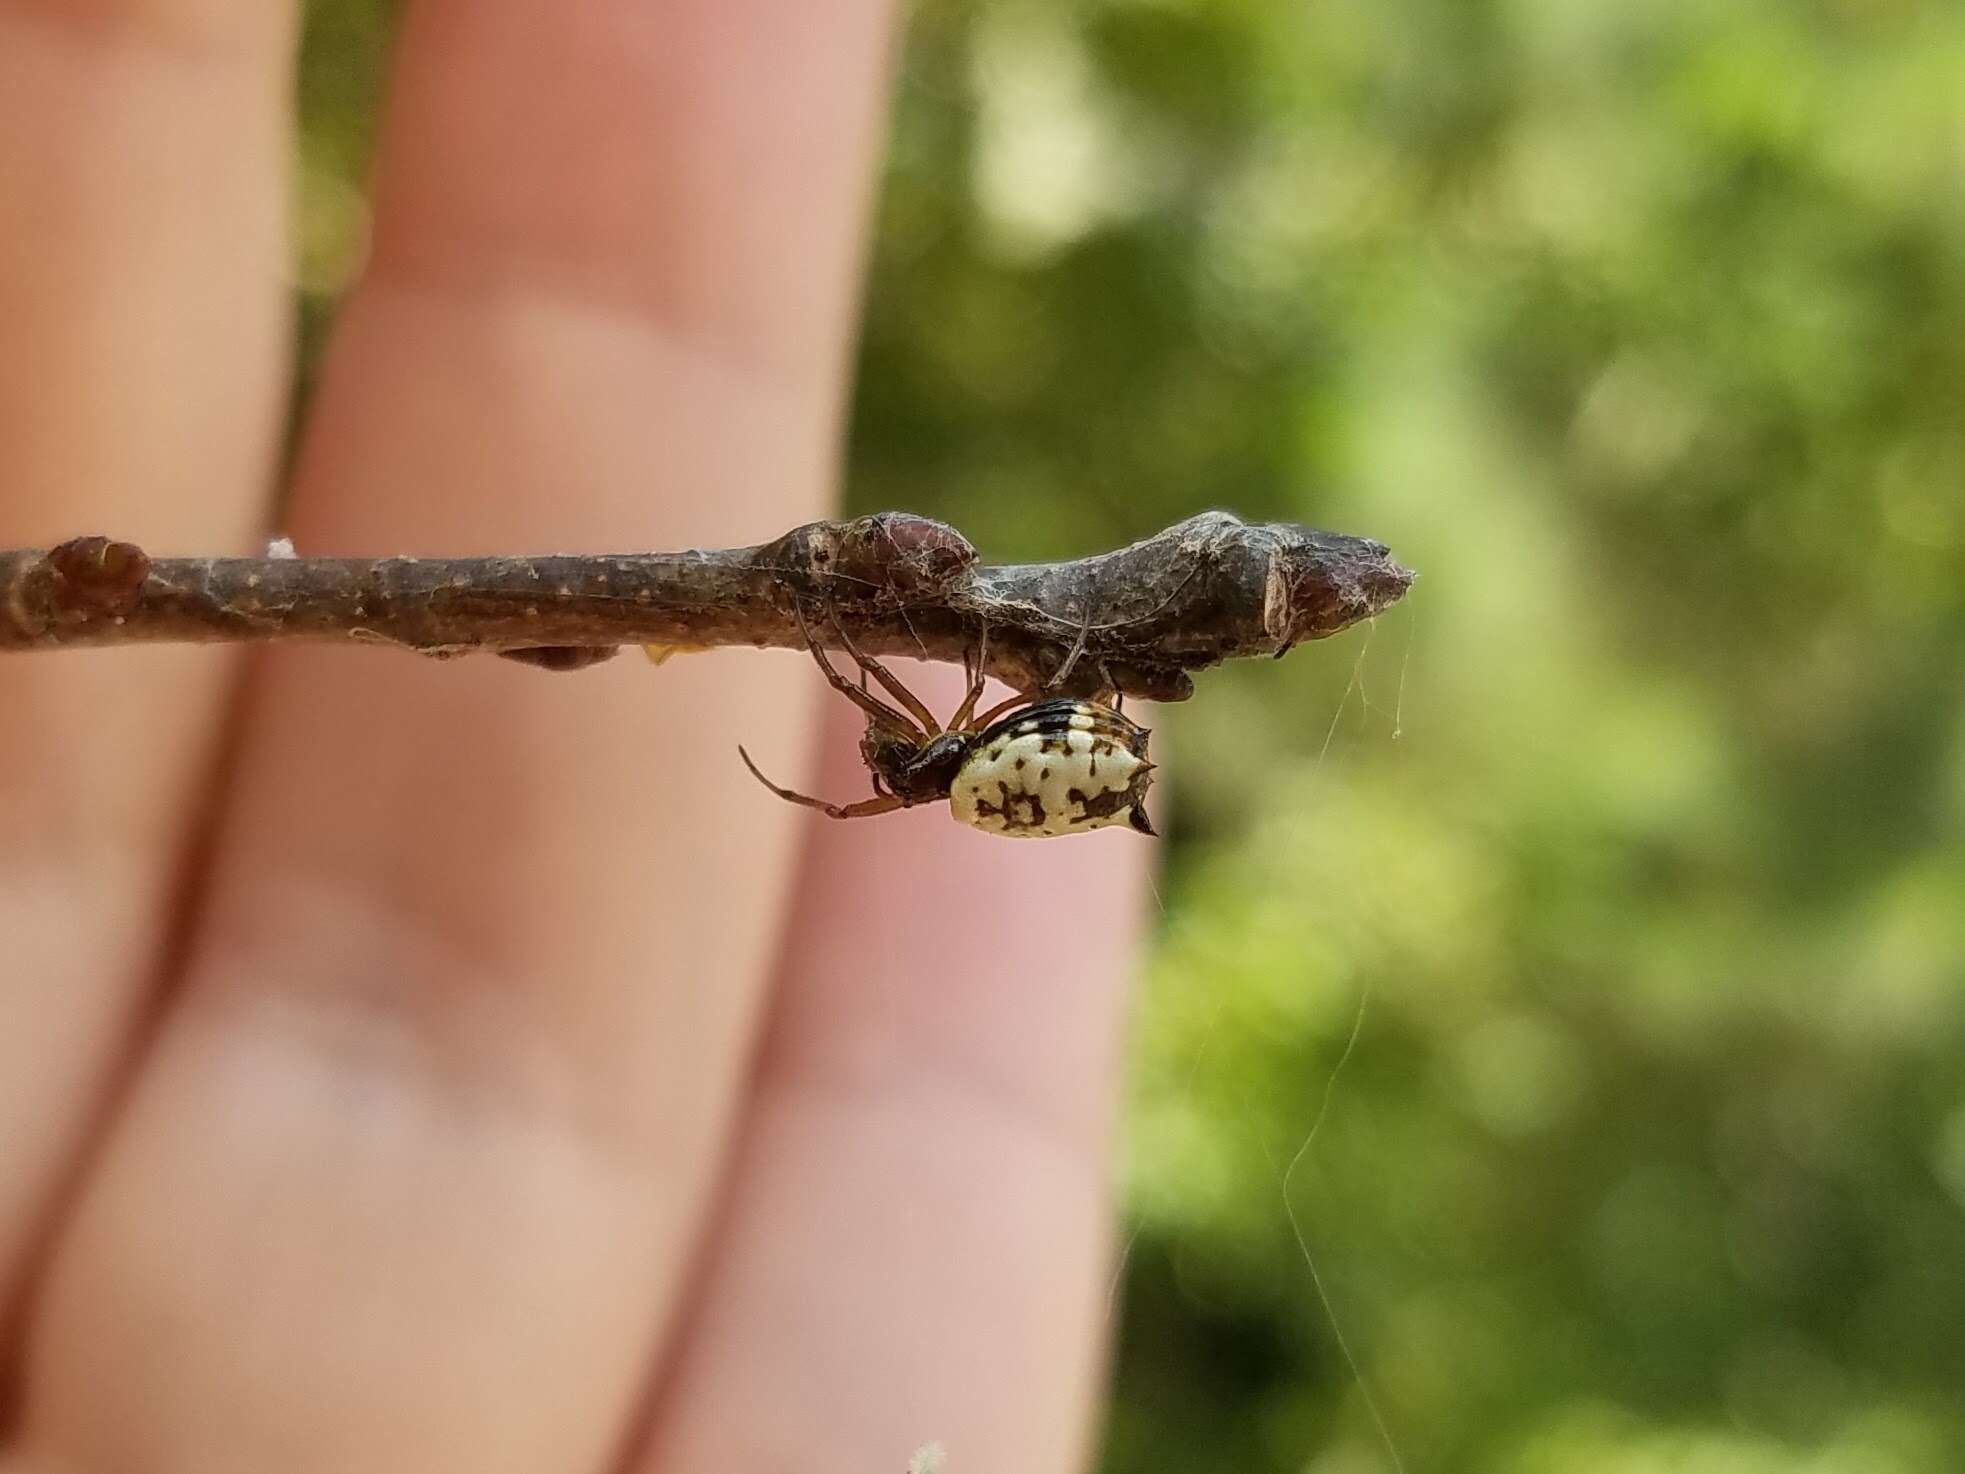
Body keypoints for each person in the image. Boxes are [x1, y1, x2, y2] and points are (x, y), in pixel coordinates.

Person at [0, 3, 1150, 1469]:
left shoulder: (948, 760)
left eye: (879, 754)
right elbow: (941, 725)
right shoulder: (960, 759)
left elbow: (929, 725)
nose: (874, 749)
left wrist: (849, 642)